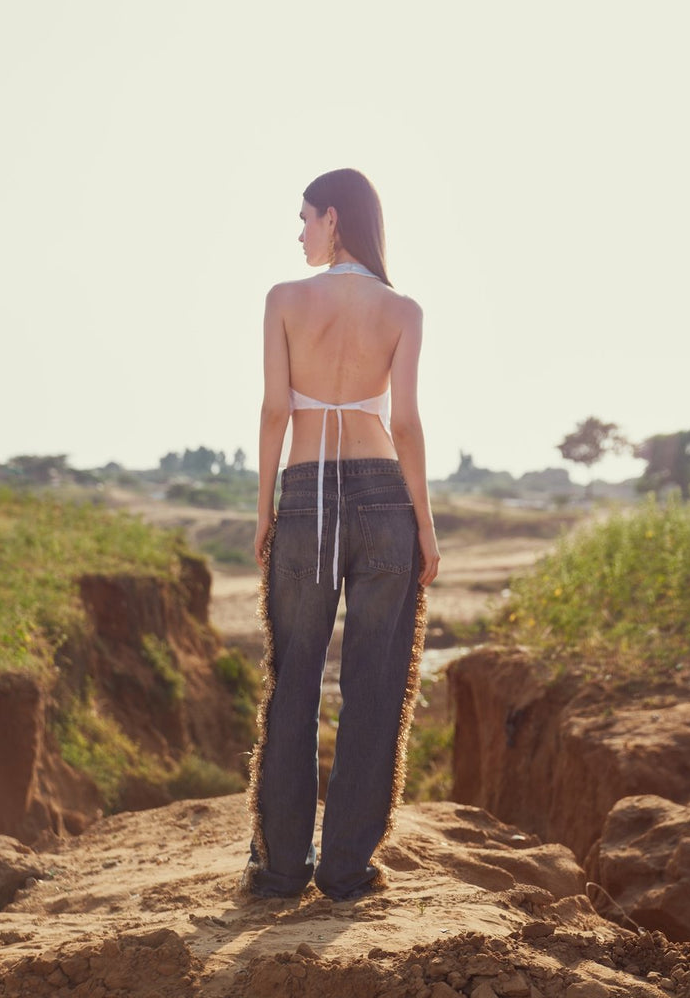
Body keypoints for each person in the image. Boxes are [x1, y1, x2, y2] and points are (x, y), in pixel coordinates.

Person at [243, 168, 439, 902]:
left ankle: (282, 869)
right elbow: (408, 424)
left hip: (306, 500)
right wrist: (424, 522)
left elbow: (273, 412)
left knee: (293, 681)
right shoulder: (403, 309)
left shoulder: (285, 301)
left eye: (304, 219)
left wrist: (265, 508)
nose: (299, 233)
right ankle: (348, 870)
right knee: (376, 684)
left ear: (334, 217)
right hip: (385, 496)